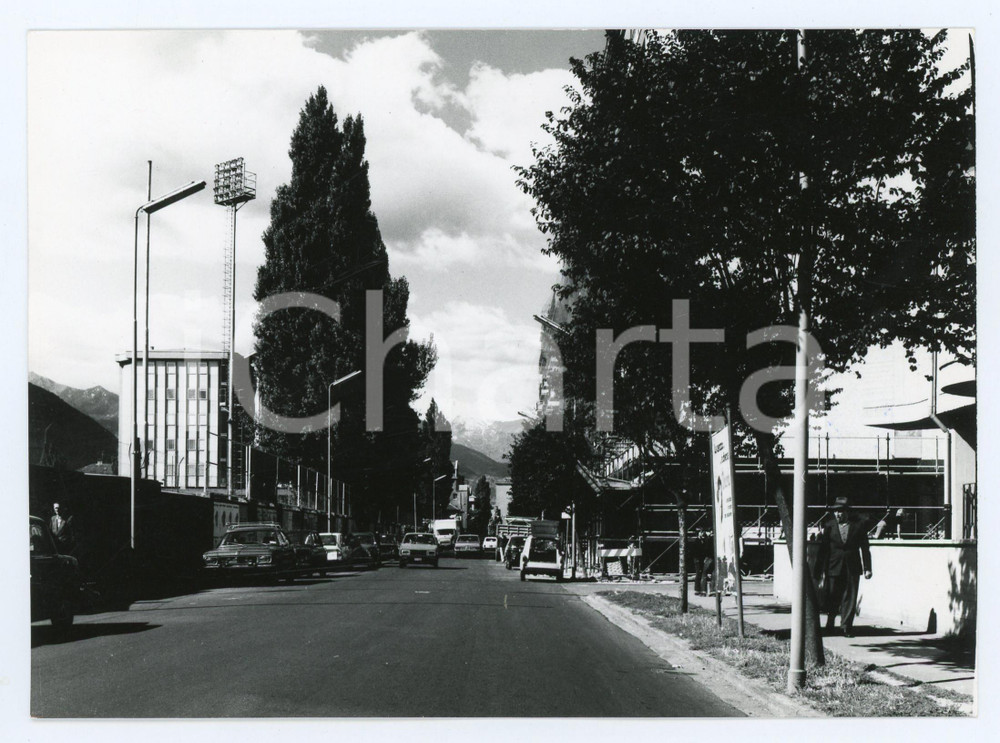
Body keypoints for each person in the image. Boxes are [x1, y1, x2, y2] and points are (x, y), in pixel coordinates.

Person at [817, 496, 873, 637]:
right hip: (833, 566)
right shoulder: (829, 526)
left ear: (847, 512)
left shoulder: (858, 526)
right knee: (832, 595)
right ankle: (830, 622)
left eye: (841, 511)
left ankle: (846, 627)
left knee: (850, 597)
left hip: (852, 566)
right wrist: (818, 571)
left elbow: (865, 548)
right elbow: (823, 549)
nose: (838, 514)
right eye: (836, 511)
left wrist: (868, 568)